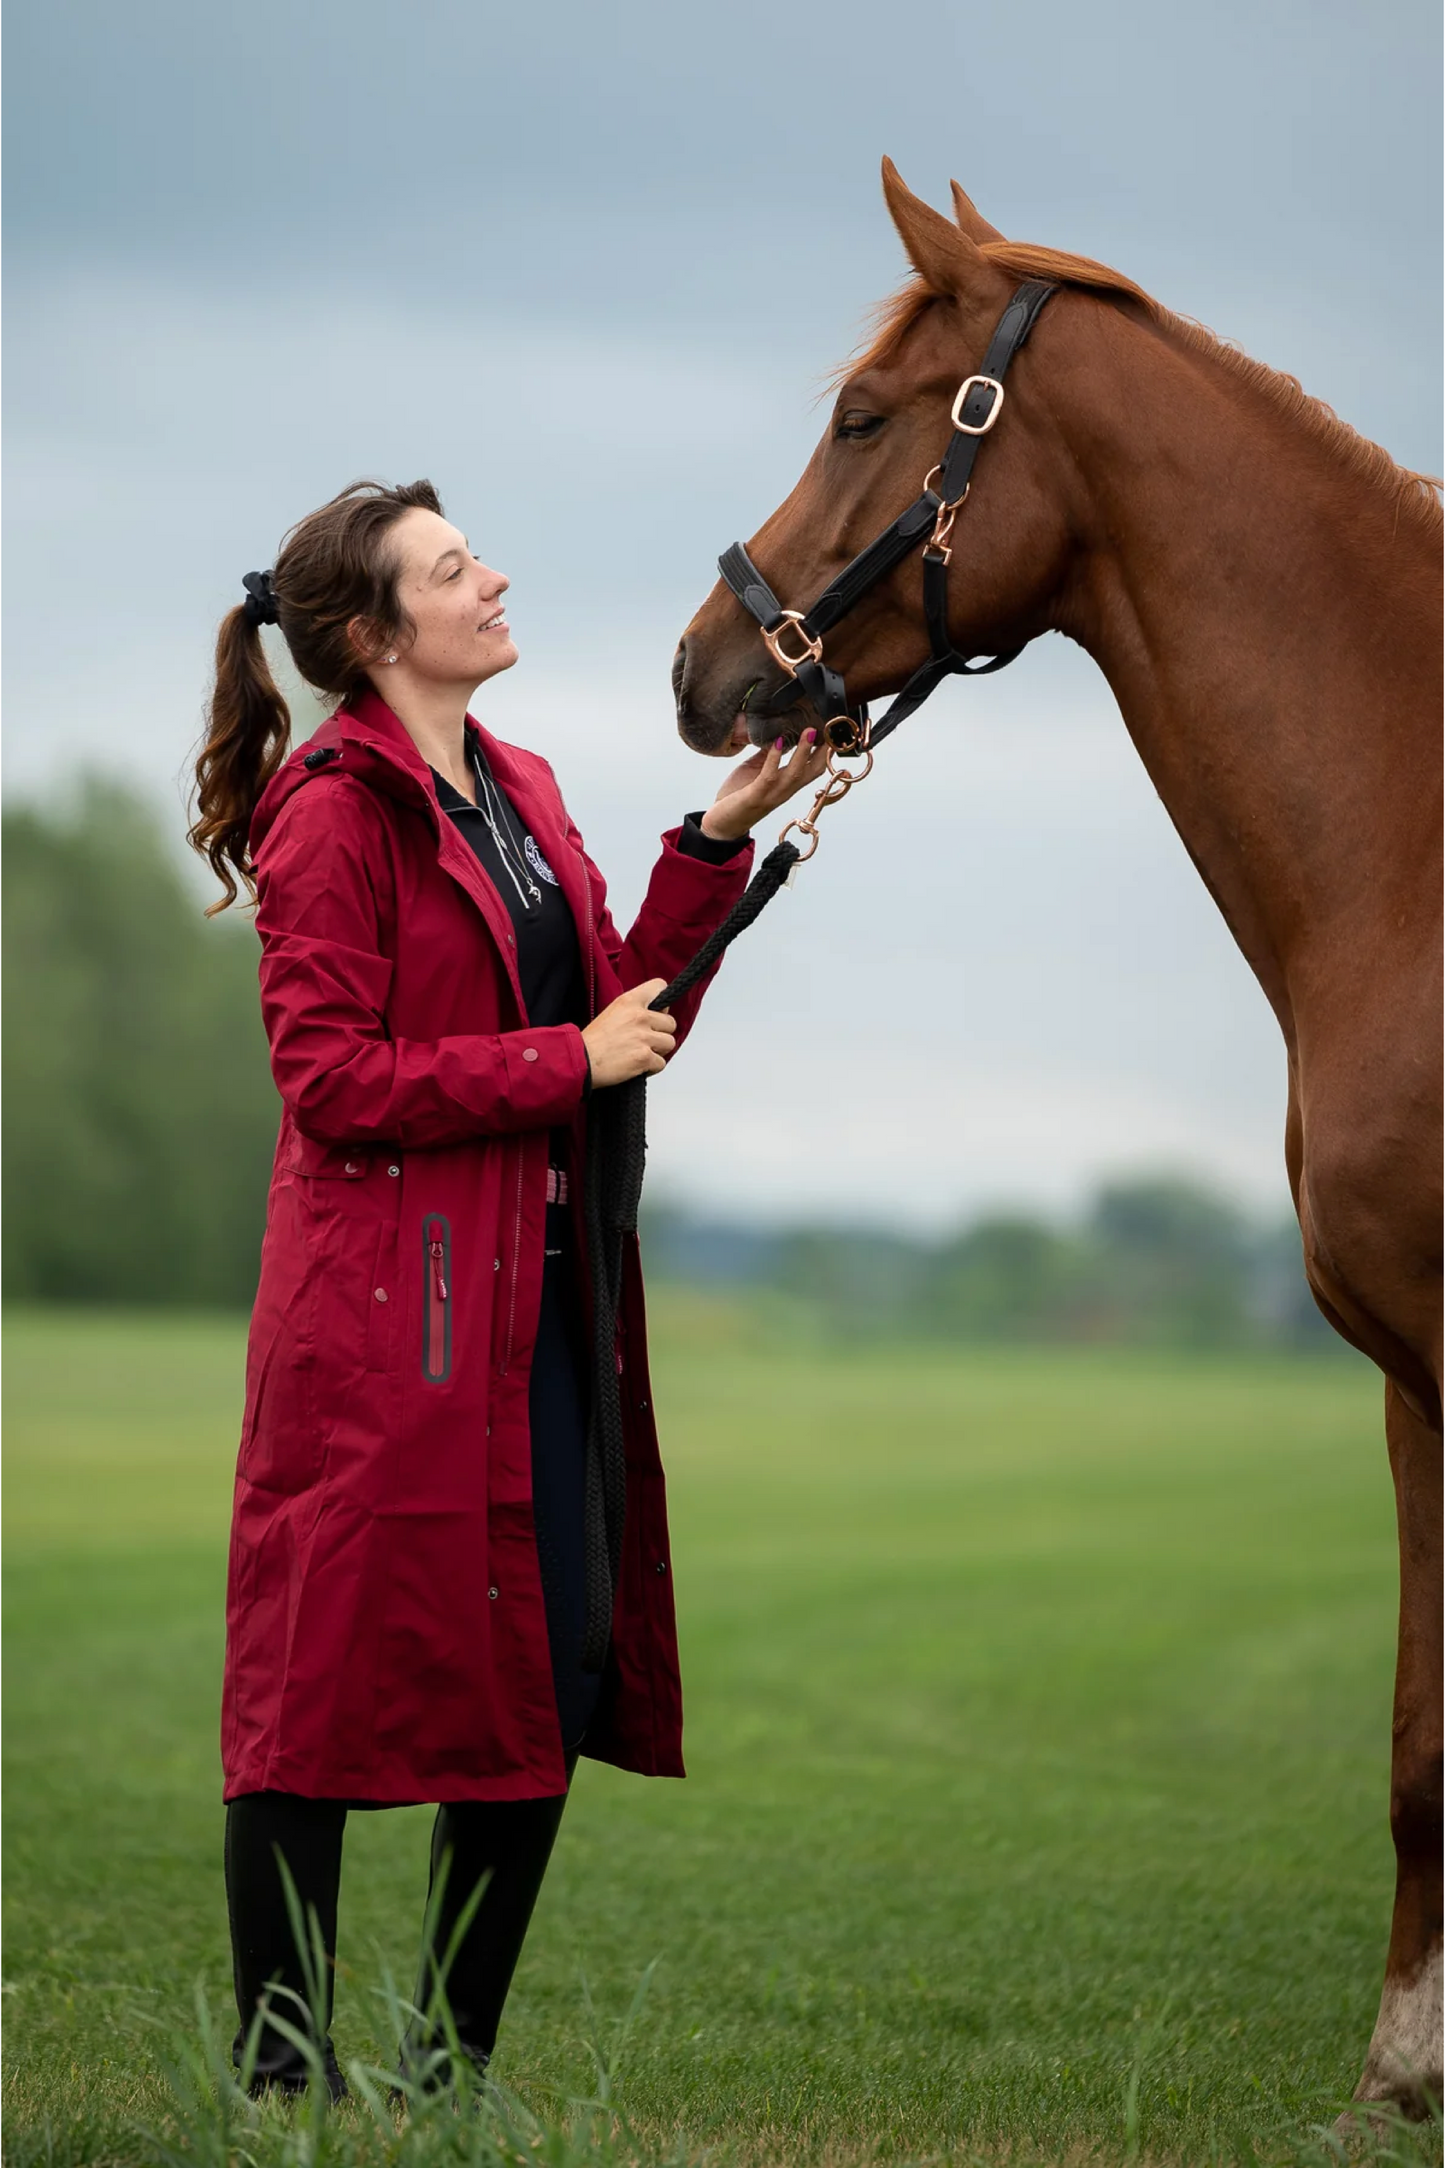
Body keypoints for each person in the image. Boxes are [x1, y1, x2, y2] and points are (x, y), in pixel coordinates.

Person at [189, 477, 824, 2097]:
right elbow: (328, 1077)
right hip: (374, 1328)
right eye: (455, 569)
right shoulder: (329, 808)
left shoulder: (522, 788)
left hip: (536, 1318)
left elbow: (620, 1002)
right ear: (375, 634)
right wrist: (565, 1058)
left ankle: (445, 2070)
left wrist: (716, 838)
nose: (495, 580)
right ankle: (278, 2074)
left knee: (546, 1670)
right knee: (312, 1686)